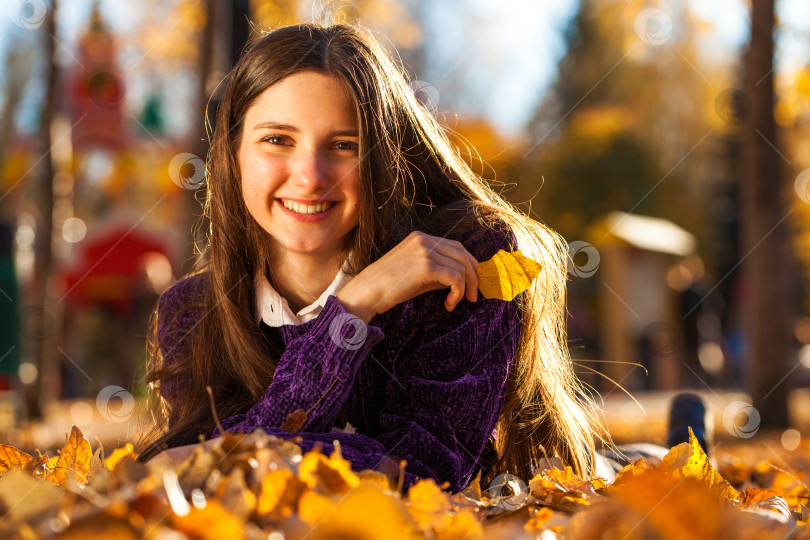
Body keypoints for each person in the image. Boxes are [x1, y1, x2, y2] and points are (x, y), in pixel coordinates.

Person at [135, 21, 609, 495]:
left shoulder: (464, 258)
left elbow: (420, 472)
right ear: (232, 153)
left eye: (344, 146)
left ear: (382, 157)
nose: (309, 177)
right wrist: (353, 309)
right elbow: (204, 475)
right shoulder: (192, 312)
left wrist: (229, 454)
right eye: (278, 140)